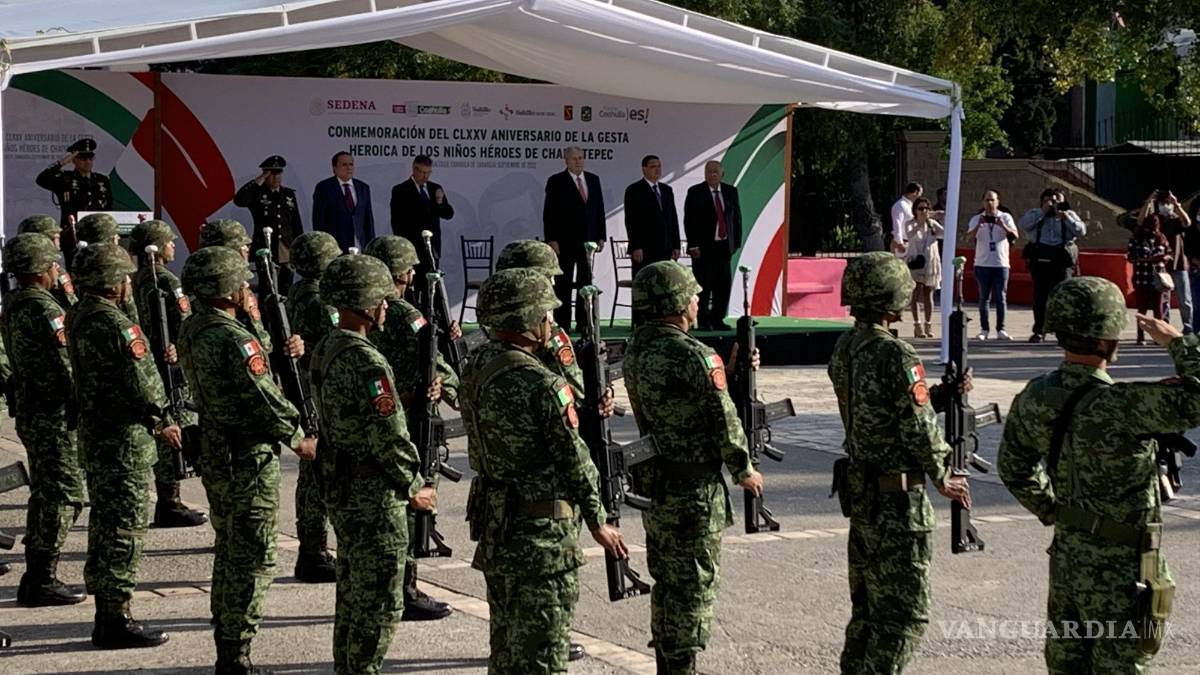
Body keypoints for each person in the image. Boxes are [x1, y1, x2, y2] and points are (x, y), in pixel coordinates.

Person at [998, 278, 1199, 673]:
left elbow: (1014, 467)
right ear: (1108, 338)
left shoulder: (1035, 396)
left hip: (1069, 560)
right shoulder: (1125, 405)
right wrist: (1178, 342)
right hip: (1124, 570)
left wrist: (1053, 510)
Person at [461, 268, 627, 673]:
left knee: (505, 653)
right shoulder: (541, 383)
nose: (550, 323)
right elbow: (574, 458)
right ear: (525, 320)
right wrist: (598, 520)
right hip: (542, 541)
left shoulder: (476, 367)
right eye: (544, 314)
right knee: (542, 659)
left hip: (498, 530)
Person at [828, 252, 971, 674]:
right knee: (903, 618)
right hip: (899, 502)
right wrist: (943, 474)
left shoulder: (846, 348)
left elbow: (878, 408)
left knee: (868, 614)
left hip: (865, 496)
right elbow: (915, 427)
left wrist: (939, 395)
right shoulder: (897, 354)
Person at [178, 245, 315, 674]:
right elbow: (264, 396)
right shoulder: (233, 338)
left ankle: (227, 640)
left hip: (219, 452)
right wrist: (299, 435)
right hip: (247, 459)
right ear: (224, 287)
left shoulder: (195, 327)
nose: (246, 287)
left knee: (230, 547)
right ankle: (236, 655)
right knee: (253, 555)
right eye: (240, 281)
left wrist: (257, 319)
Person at [623, 260, 762, 673]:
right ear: (676, 302)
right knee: (695, 585)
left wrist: (731, 374)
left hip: (659, 484)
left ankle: (669, 662)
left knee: (668, 583)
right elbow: (722, 419)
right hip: (695, 489)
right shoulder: (694, 355)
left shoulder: (637, 349)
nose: (697, 300)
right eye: (692, 294)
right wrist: (744, 468)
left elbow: (682, 405)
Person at [310, 253, 437, 675]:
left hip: (345, 487)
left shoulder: (328, 346)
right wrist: (414, 485)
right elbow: (391, 435)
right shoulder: (367, 361)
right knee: (379, 600)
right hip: (374, 496)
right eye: (379, 298)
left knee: (352, 593)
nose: (386, 306)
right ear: (361, 303)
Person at [66, 242, 181, 649]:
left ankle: (107, 611)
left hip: (98, 437)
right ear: (114, 281)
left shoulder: (79, 315)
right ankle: (115, 618)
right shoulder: (117, 325)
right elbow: (143, 382)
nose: (129, 282)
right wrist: (163, 421)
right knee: (124, 529)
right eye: (124, 276)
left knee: (104, 524)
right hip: (124, 441)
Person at [362, 235, 456, 622]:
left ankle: (392, 586)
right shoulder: (406, 314)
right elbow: (434, 359)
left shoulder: (369, 312)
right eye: (407, 267)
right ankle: (406, 588)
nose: (412, 273)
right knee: (410, 503)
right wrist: (452, 386)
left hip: (382, 415)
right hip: (411, 416)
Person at [2, 233, 87, 607]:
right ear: (40, 269)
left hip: (32, 409)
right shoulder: (46, 310)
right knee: (65, 495)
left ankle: (37, 573)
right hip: (53, 414)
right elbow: (68, 365)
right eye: (52, 263)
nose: (57, 270)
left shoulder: (14, 303)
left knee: (47, 491)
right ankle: (40, 576)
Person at [127, 220, 209, 529]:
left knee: (164, 424)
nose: (173, 246)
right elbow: (184, 320)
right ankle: (169, 501)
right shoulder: (167, 281)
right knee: (174, 428)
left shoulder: (135, 280)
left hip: (147, 361)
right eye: (169, 242)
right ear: (159, 247)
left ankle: (169, 500)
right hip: (170, 365)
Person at [279, 231, 342, 584]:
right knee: (317, 474)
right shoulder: (319, 300)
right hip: (315, 390)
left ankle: (313, 549)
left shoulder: (300, 293)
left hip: (306, 385)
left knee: (312, 474)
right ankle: (313, 551)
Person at [543, 146, 607, 331]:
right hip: (564, 241)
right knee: (563, 283)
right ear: (566, 161)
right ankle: (562, 323)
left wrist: (601, 235)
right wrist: (552, 239)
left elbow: (599, 210)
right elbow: (550, 213)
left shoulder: (593, 180)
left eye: (581, 158)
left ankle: (584, 322)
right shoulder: (556, 181)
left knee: (585, 283)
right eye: (574, 158)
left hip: (588, 242)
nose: (578, 161)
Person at [1019, 188, 1086, 342]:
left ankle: (1063, 331)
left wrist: (1066, 217)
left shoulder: (1069, 214)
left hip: (1061, 259)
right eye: (1050, 200)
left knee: (1064, 296)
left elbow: (1081, 231)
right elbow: (1024, 225)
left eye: (1057, 201)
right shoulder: (1036, 213)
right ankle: (1039, 330)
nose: (1054, 204)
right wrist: (1043, 211)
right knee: (1040, 297)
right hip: (1041, 258)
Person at [35, 138, 112, 269]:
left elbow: (109, 206)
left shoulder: (102, 180)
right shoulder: (65, 179)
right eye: (83, 158)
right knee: (76, 271)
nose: (87, 162)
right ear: (74, 160)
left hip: (98, 235)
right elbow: (41, 179)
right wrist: (63, 162)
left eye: (90, 158)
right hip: (73, 235)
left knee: (99, 270)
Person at [233, 155, 304, 297]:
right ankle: (267, 317)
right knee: (267, 287)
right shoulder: (257, 193)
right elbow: (239, 200)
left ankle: (285, 316)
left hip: (285, 247)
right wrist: (259, 179)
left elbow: (296, 223)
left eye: (278, 173)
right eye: (271, 174)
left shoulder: (288, 194)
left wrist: (298, 248)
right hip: (265, 248)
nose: (275, 177)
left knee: (286, 286)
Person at [684, 161, 743, 330]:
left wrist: (735, 243)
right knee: (704, 285)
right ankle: (703, 321)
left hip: (724, 247)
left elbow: (736, 219)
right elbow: (689, 220)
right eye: (709, 171)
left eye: (715, 172)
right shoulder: (696, 192)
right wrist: (693, 245)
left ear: (722, 174)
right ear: (705, 174)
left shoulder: (731, 191)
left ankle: (718, 319)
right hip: (703, 248)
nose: (712, 174)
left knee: (722, 285)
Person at [390, 155, 454, 304]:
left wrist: (439, 202)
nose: (425, 176)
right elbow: (397, 222)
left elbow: (448, 214)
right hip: (412, 247)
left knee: (430, 288)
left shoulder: (434, 188)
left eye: (428, 173)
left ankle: (430, 320)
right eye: (423, 172)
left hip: (432, 248)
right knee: (411, 287)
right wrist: (404, 247)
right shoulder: (400, 190)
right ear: (414, 170)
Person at [1138, 189, 1193, 334]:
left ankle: (1188, 327)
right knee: (1163, 299)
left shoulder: (1176, 219)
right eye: (1163, 203)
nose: (1165, 206)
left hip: (1179, 263)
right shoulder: (1156, 220)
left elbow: (1187, 222)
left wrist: (1177, 205)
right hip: (1161, 266)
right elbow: (1141, 220)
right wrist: (1149, 201)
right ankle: (1165, 325)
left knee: (1184, 299)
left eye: (1167, 203)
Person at [967, 190, 1019, 341]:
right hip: (982, 263)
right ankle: (984, 329)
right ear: (983, 202)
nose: (990, 203)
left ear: (998, 202)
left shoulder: (1005, 217)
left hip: (1001, 263)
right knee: (984, 298)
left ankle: (1001, 329)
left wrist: (1002, 225)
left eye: (992, 200)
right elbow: (968, 237)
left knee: (1001, 297)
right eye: (987, 200)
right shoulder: (977, 218)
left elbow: (1015, 235)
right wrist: (979, 225)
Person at [624, 155, 681, 277]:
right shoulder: (634, 190)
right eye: (653, 167)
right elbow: (631, 221)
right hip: (644, 249)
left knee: (662, 286)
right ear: (644, 169)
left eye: (659, 166)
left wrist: (676, 245)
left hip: (665, 248)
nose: (657, 169)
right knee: (645, 286)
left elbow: (673, 219)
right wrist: (636, 246)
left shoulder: (667, 190)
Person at [313, 151, 375, 252]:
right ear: (334, 168)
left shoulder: (363, 187)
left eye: (351, 164)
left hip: (359, 244)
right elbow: (319, 221)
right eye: (344, 164)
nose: (349, 168)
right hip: (335, 247)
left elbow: (368, 220)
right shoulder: (324, 188)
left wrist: (371, 245)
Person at [902, 196, 943, 338]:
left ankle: (928, 323)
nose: (923, 211)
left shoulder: (932, 224)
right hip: (915, 261)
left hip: (930, 261)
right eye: (920, 208)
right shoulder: (910, 224)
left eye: (926, 208)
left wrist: (934, 217)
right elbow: (910, 235)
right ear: (915, 210)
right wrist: (920, 223)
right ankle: (917, 324)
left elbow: (944, 233)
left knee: (928, 293)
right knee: (916, 292)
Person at [1127, 215, 1171, 345]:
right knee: (1142, 309)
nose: (1154, 230)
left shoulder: (1161, 237)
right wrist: (1146, 260)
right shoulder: (1136, 239)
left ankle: (1159, 336)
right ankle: (1140, 336)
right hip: (1142, 277)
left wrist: (1165, 257)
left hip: (1158, 278)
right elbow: (1131, 257)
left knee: (1158, 309)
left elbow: (1169, 252)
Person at [17, 214, 78, 308]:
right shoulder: (50, 270)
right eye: (55, 238)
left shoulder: (18, 266)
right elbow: (71, 305)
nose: (58, 243)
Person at [889, 182, 923, 254]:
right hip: (902, 243)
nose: (920, 197)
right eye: (920, 194)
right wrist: (900, 243)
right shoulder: (900, 205)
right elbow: (897, 224)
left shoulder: (911, 206)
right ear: (916, 193)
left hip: (911, 242)